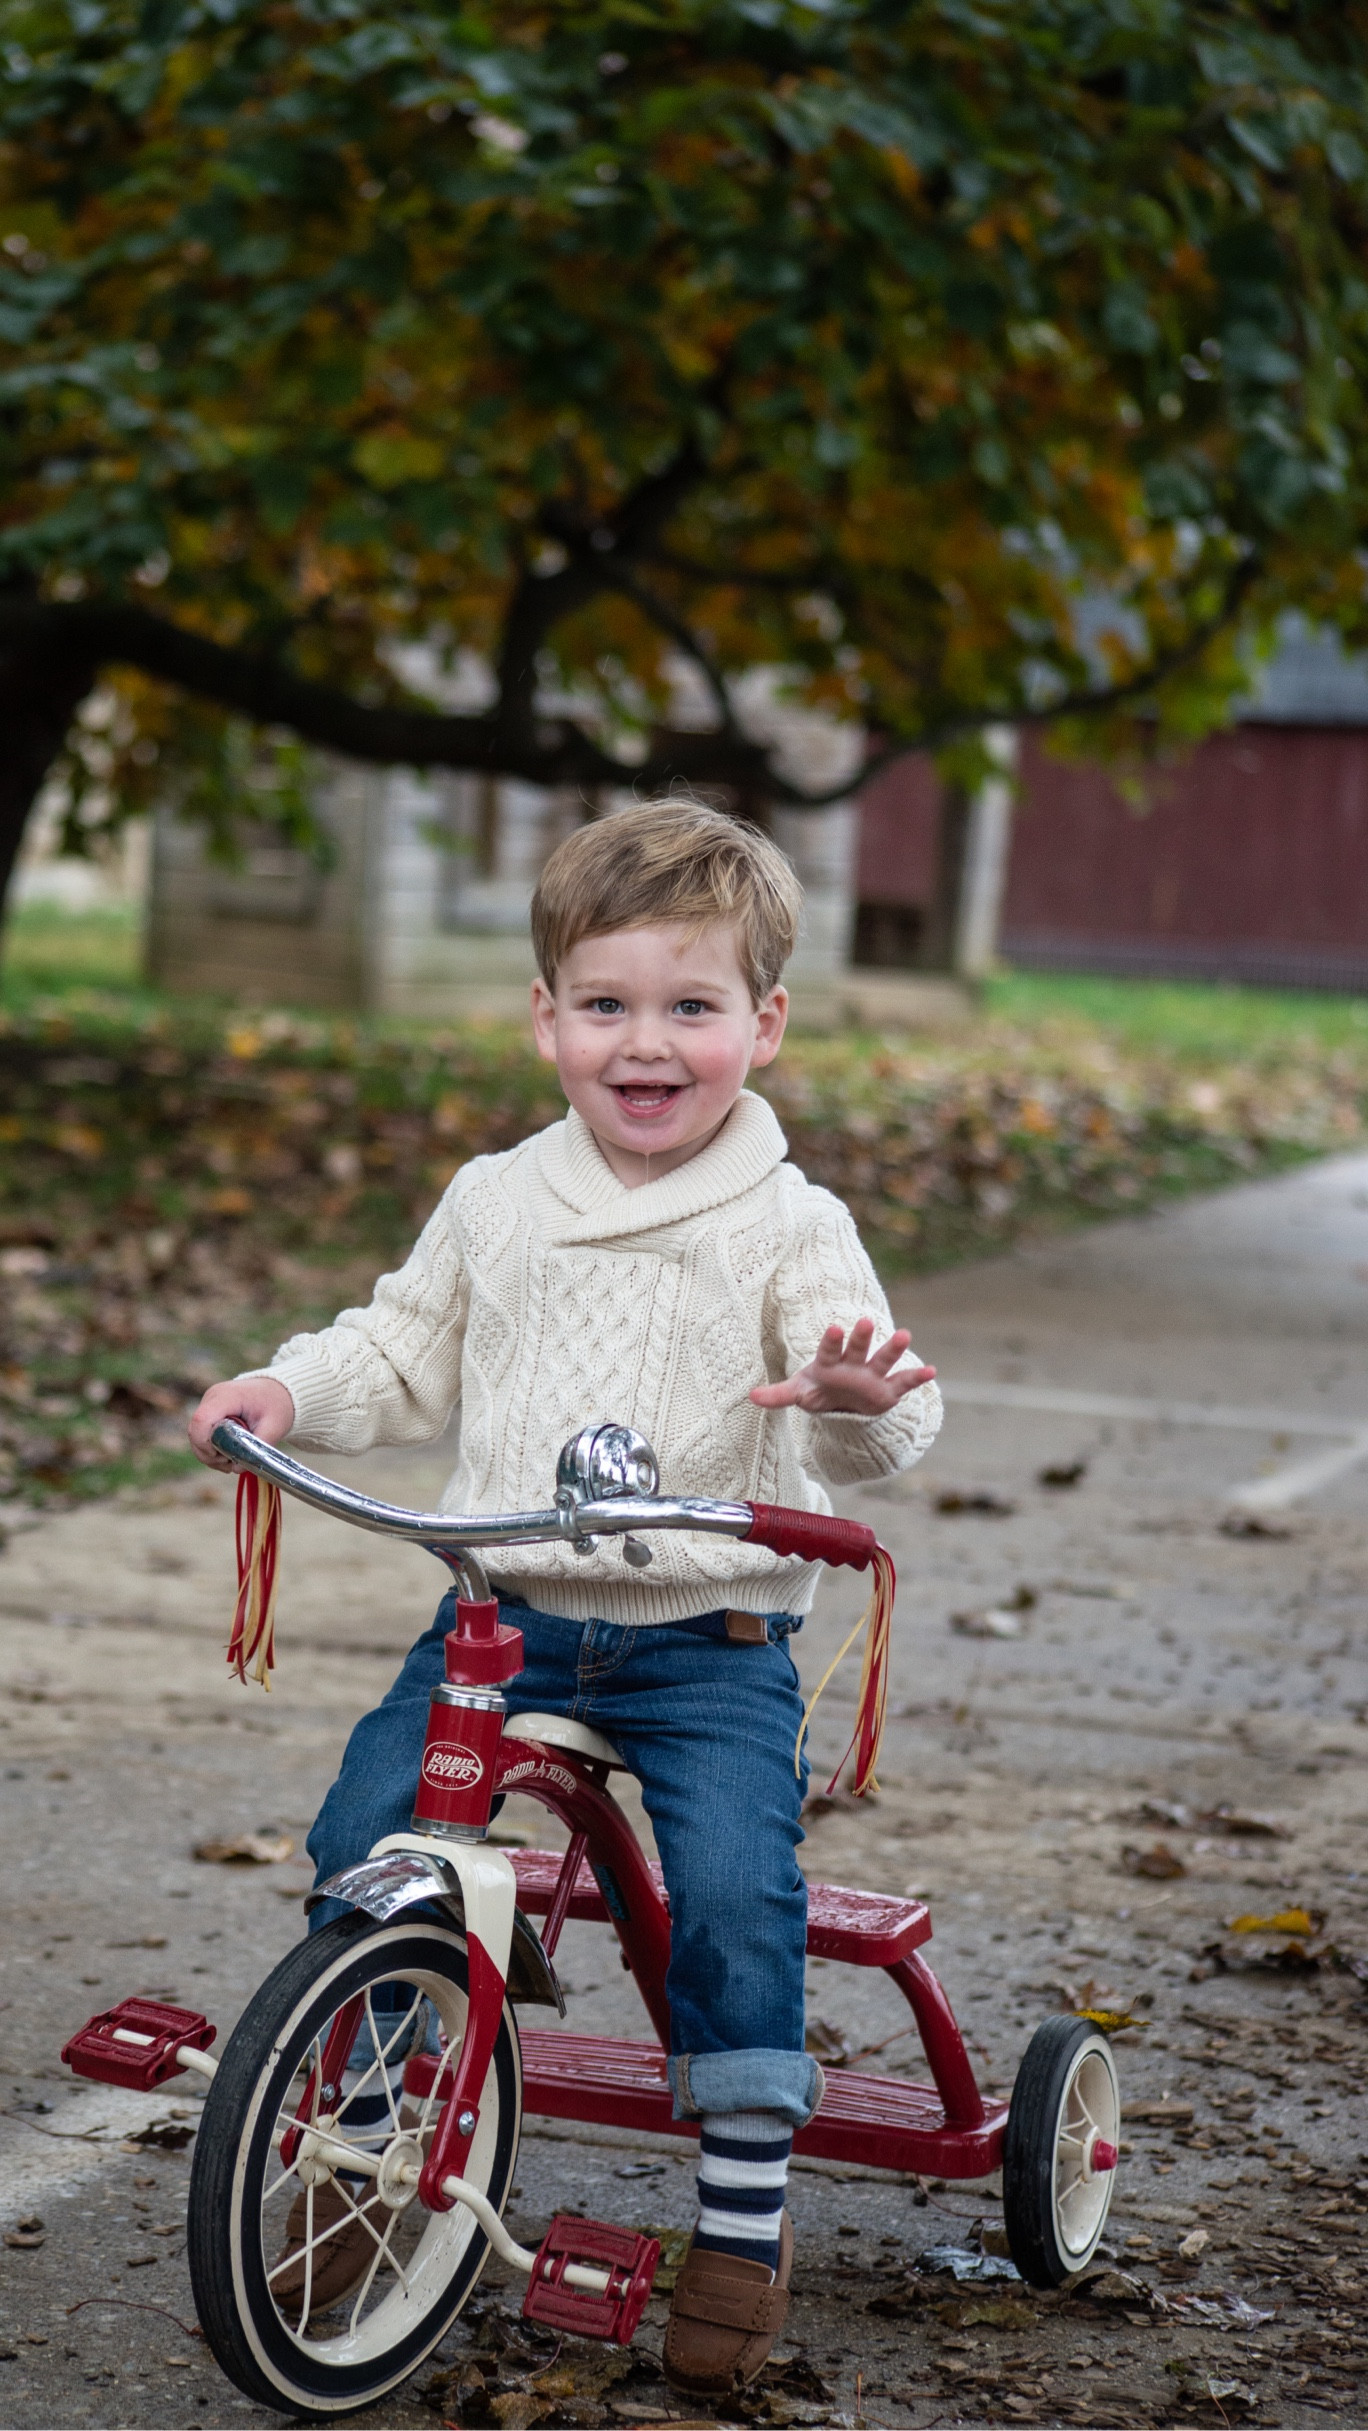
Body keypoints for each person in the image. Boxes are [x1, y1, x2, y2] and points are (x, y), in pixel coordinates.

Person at [189, 797, 942, 2395]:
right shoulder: (497, 1198)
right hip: (505, 1612)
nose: (645, 1045)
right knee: (367, 1836)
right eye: (606, 1005)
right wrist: (287, 1390)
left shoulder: (792, 1224)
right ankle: (369, 2133)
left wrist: (853, 1389)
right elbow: (398, 1349)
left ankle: (741, 2218)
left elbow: (890, 1429)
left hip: (707, 1639)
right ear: (547, 1020)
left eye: (692, 1006)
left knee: (735, 1902)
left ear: (767, 1022)